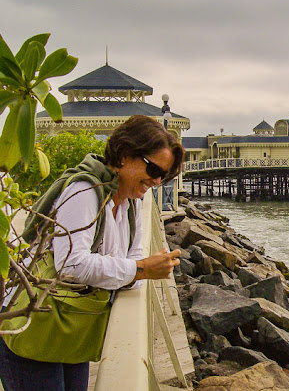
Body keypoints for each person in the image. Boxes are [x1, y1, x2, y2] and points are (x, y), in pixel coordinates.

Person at [0, 115, 185, 391]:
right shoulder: (85, 190)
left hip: (74, 325)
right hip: (34, 325)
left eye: (164, 176)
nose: (157, 182)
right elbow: (71, 264)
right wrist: (143, 269)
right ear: (125, 155)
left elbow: (131, 260)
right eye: (154, 170)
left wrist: (138, 267)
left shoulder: (131, 202)